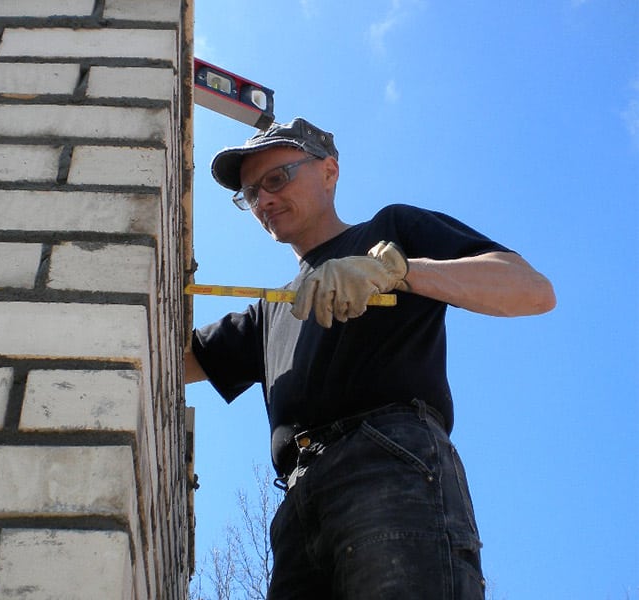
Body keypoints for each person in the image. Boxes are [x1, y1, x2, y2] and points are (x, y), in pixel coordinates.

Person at [185, 117, 556, 599]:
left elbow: (531, 290)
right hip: (297, 502)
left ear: (329, 171)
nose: (264, 201)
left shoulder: (391, 230)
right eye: (251, 194)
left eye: (276, 179)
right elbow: (164, 357)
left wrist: (396, 273)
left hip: (388, 465)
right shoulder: (271, 312)